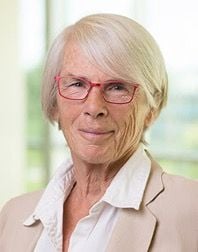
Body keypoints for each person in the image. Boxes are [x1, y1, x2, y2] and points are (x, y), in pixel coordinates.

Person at [0, 13, 198, 252]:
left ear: (151, 108)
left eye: (117, 87)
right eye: (77, 84)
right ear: (54, 105)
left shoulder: (191, 209)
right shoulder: (13, 216)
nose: (94, 108)